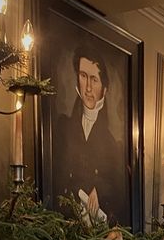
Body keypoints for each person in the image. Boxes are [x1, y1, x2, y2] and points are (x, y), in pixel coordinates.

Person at [52, 46, 129, 226]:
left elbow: (119, 190)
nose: (87, 88)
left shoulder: (112, 143)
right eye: (83, 76)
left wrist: (99, 191)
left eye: (94, 79)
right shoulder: (63, 127)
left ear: (104, 88)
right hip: (64, 223)